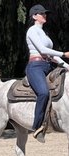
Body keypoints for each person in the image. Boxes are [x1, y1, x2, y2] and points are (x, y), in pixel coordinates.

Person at [25, 4, 69, 143]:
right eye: (41, 13)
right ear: (34, 16)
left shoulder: (44, 33)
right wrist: (64, 53)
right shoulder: (32, 31)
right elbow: (43, 50)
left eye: (45, 13)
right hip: (35, 66)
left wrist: (67, 65)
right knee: (43, 92)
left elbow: (52, 56)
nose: (45, 15)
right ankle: (37, 126)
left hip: (48, 65)